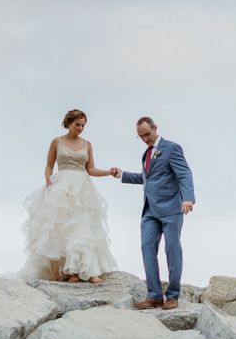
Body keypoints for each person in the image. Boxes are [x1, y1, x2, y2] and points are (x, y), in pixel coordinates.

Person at [18, 109, 118, 284]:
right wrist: (48, 180)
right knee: (62, 227)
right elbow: (49, 166)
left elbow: (91, 169)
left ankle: (88, 270)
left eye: (83, 125)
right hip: (61, 185)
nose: (80, 128)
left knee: (83, 226)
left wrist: (108, 172)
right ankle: (70, 272)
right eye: (77, 124)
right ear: (69, 123)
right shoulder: (57, 142)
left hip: (82, 187)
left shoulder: (87, 144)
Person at [112, 116, 195, 309]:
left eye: (148, 134)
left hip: (172, 209)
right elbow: (147, 178)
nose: (146, 139)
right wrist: (122, 174)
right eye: (141, 137)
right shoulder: (146, 154)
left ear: (155, 128)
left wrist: (188, 198)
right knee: (147, 247)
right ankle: (154, 295)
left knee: (172, 250)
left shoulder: (172, 148)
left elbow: (184, 174)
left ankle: (173, 295)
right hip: (149, 211)